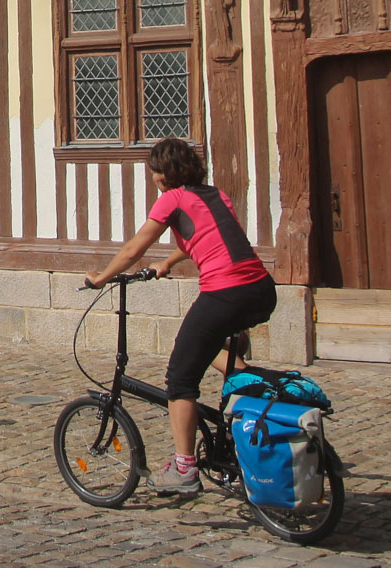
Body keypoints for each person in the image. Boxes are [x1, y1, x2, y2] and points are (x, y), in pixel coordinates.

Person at [84, 137, 275, 494]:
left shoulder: (172, 199)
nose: (154, 179)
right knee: (208, 347)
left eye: (155, 173)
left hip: (226, 293)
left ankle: (185, 468)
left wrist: (101, 277)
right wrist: (167, 264)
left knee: (180, 379)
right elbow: (206, 239)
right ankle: (249, 393)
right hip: (262, 290)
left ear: (164, 173)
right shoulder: (216, 195)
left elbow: (133, 248)